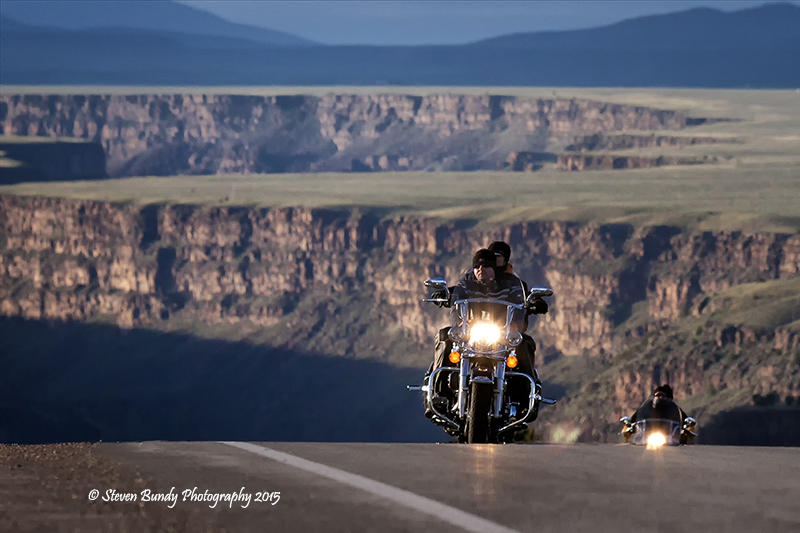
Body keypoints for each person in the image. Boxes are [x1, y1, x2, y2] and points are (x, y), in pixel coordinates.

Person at [426, 248, 545, 412]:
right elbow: (457, 300)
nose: (481, 269)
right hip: (471, 332)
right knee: (444, 337)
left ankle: (525, 400)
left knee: (525, 344)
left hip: (501, 333)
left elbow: (519, 304)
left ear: (494, 268)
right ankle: (439, 394)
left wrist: (517, 324)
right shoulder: (466, 284)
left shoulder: (510, 284)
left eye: (487, 266)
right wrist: (455, 316)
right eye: (477, 267)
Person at [623, 385, 693, 443]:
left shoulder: (673, 408)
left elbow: (685, 420)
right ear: (654, 396)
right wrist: (627, 427)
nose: (660, 397)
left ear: (667, 397)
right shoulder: (646, 407)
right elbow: (633, 420)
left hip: (670, 439)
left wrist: (689, 427)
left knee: (684, 443)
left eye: (663, 395)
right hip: (647, 438)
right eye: (658, 395)